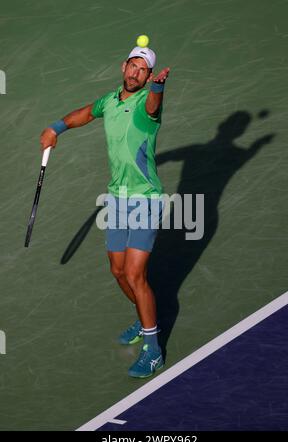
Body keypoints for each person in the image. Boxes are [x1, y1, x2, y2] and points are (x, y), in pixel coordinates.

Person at [40, 45, 170, 378]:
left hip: (145, 198)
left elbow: (154, 107)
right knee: (117, 270)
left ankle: (153, 350)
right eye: (132, 66)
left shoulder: (146, 104)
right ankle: (145, 319)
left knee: (135, 274)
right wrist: (57, 128)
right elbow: (84, 113)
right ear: (123, 66)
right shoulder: (110, 101)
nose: (135, 73)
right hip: (118, 199)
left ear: (148, 76)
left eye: (143, 70)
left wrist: (158, 88)